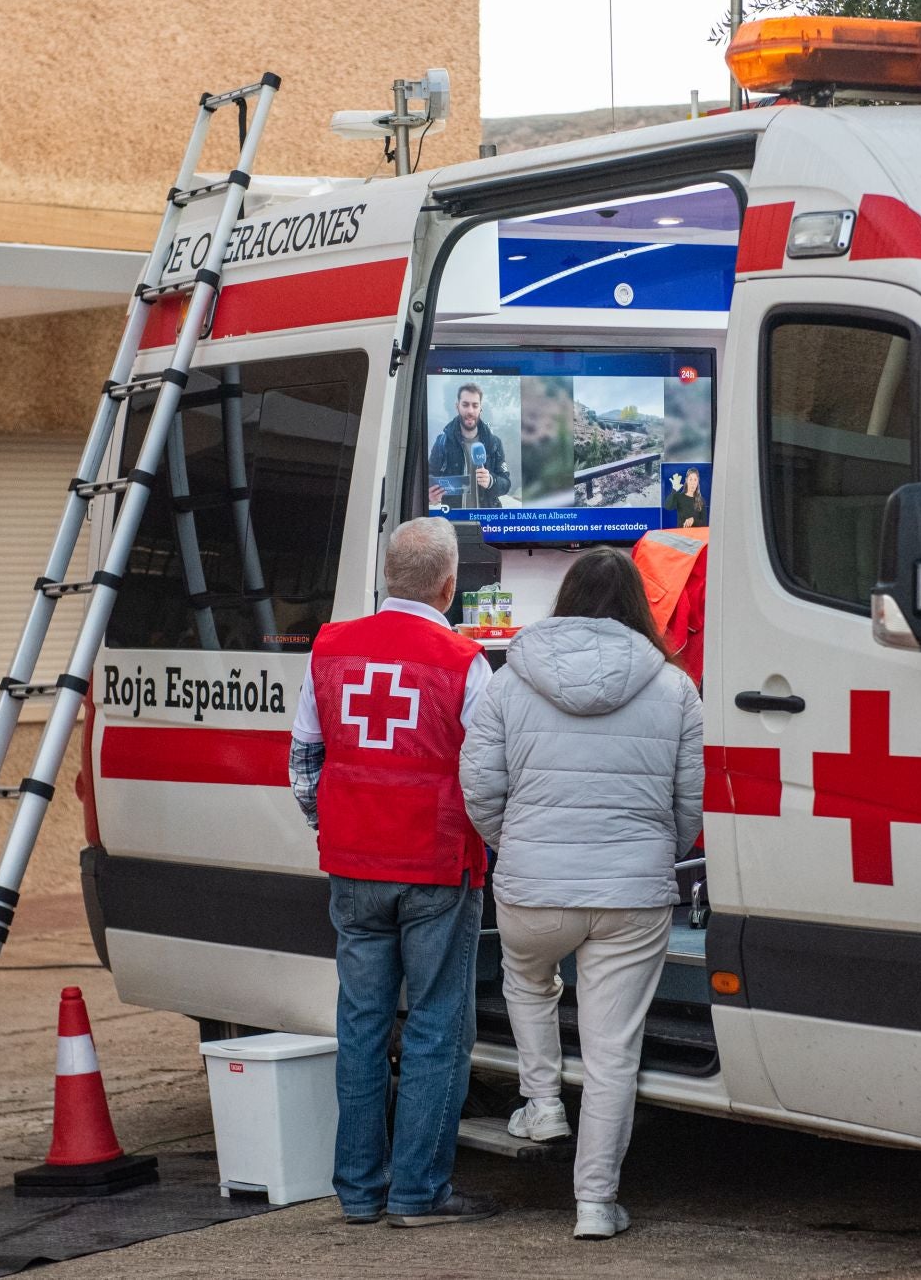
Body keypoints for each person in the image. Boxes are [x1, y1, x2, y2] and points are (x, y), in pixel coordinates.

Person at [457, 547, 705, 1241]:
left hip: (533, 887)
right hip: (633, 895)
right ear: (636, 605)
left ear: (565, 599)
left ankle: (540, 1102)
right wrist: (659, 853)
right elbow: (690, 805)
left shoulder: (511, 681)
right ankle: (595, 1205)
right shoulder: (676, 687)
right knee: (612, 1055)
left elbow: (479, 788)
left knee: (528, 979)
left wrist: (519, 846)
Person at [287, 517, 500, 1228]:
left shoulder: (330, 648)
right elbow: (486, 774)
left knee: (363, 1024)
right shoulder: (464, 661)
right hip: (439, 867)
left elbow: (303, 766)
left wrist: (337, 825)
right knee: (438, 1027)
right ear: (448, 585)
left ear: (387, 575)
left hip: (354, 867)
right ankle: (418, 1194)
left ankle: (357, 1191)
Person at [428, 383, 513, 509]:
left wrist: (491, 481)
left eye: (475, 405)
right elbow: (429, 477)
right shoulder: (442, 442)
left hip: (487, 521)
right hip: (453, 520)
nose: (470, 411)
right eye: (465, 405)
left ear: (480, 409)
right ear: (457, 406)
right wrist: (430, 495)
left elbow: (506, 484)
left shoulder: (494, 443)